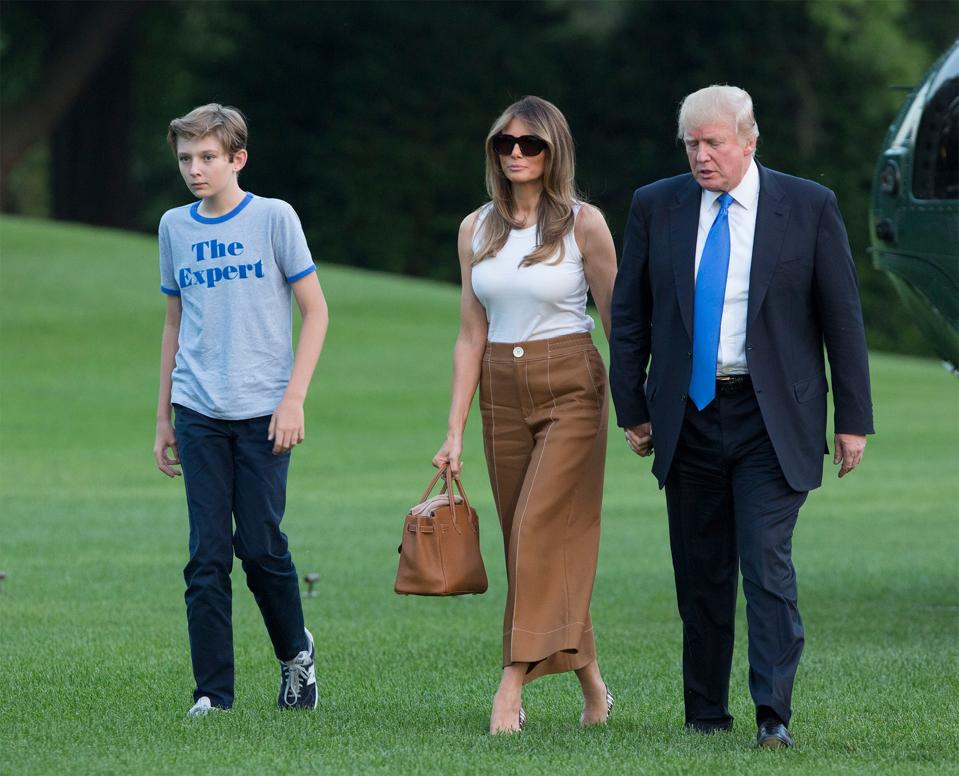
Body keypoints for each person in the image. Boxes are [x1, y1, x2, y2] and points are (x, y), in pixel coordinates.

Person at [609, 85, 874, 748]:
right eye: (691, 144)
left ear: (748, 139)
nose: (701, 156)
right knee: (699, 574)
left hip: (771, 418)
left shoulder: (807, 207)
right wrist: (632, 408)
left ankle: (772, 716)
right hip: (687, 415)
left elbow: (840, 320)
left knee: (764, 563)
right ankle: (703, 713)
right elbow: (627, 317)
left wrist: (852, 420)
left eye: (713, 143)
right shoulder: (655, 205)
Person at [433, 96, 618, 734]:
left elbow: (618, 321)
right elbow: (468, 336)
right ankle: (592, 683)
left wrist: (638, 410)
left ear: (552, 151)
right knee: (526, 541)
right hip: (500, 388)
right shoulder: (474, 229)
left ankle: (511, 685)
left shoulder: (585, 225)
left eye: (530, 144)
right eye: (505, 143)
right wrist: (452, 430)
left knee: (538, 528)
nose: (516, 153)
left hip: (571, 382)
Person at [152, 103, 330, 716]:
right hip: (197, 408)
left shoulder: (274, 218)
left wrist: (294, 399)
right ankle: (213, 695)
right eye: (185, 159)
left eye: (207, 158)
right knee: (206, 554)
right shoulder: (174, 227)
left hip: (264, 413)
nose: (195, 170)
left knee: (258, 547)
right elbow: (174, 324)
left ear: (237, 158)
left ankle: (295, 656)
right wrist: (162, 418)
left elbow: (317, 311)